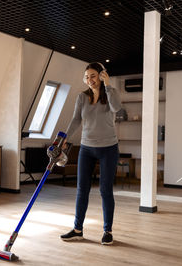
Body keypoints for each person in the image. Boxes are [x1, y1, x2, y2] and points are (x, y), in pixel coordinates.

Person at [60, 62, 121, 245]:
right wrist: (65, 138)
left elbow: (116, 108)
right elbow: (76, 120)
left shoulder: (111, 93)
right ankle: (78, 230)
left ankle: (107, 231)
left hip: (108, 148)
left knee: (105, 190)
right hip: (86, 148)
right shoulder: (82, 97)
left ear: (102, 75)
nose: (90, 80)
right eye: (87, 77)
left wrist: (108, 85)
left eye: (93, 76)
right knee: (82, 190)